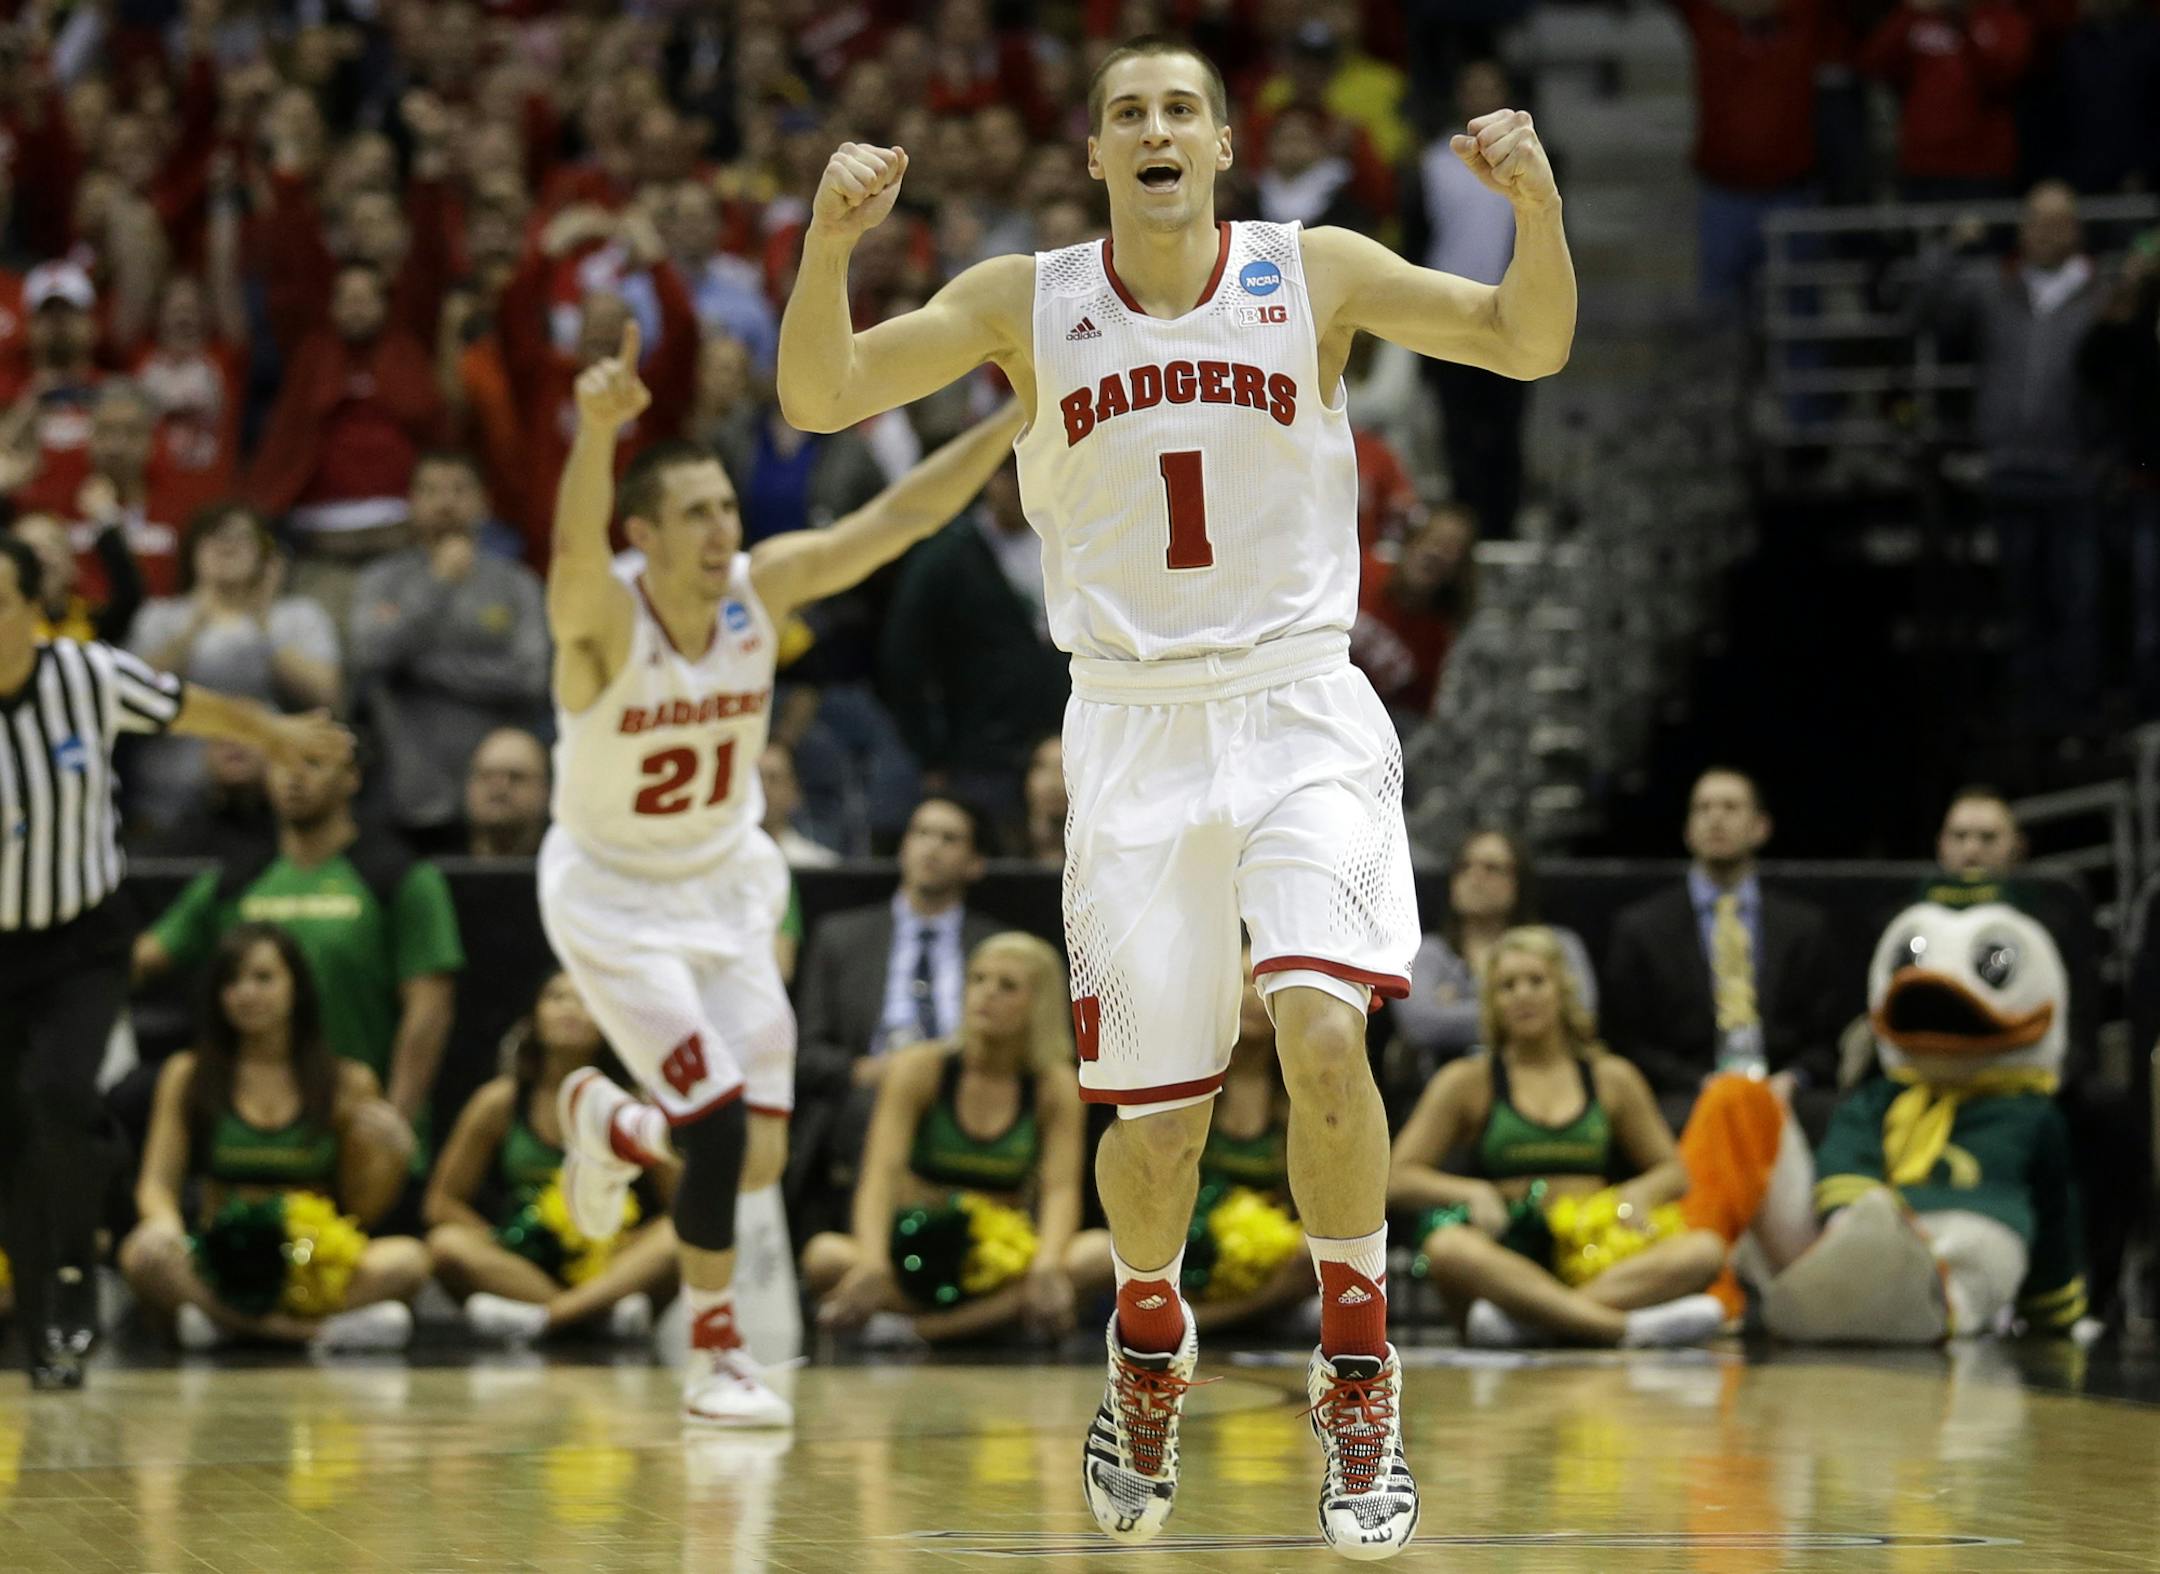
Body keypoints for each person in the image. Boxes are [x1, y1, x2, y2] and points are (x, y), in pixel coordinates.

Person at [779, 35, 1576, 1557]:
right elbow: (822, 393)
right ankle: (1149, 1339)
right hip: (1131, 731)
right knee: (1160, 1137)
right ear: (1095, 155)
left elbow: (1524, 342)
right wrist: (829, 245)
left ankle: (1360, 1369)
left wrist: (1536, 203)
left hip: (1298, 705)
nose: (1155, 131)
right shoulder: (1028, 299)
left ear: (1221, 145)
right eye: (1127, 113)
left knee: (1325, 1028)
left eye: (1179, 111)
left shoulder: (1311, 268)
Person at [537, 319, 1023, 1428]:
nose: (723, 526)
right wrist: (594, 436)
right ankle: (717, 1352)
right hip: (615, 897)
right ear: (645, 532)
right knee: (712, 1130)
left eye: (726, 505)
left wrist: (1011, 419)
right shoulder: (607, 616)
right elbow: (568, 566)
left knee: (751, 1158)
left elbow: (897, 518)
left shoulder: (765, 586)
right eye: (698, 512)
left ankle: (612, 1123)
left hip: (728, 882)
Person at [0, 534, 352, 1389]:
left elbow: (190, 707)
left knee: (57, 1096)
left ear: (28, 609)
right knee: (13, 1130)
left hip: (80, 937)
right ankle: (41, 1306)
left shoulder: (86, 676)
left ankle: (74, 1288)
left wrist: (272, 733)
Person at [1388, 928, 1730, 1349]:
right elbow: (1396, 1178)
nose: (1522, 995)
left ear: (1562, 990)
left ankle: (1531, 1324)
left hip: (1596, 1252)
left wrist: (1638, 1195)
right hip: (1508, 1253)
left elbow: (1673, 1172)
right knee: (1447, 1248)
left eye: (1536, 981)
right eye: (1506, 987)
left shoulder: (1611, 1077)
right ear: (1490, 1003)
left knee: (1705, 1250)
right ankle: (1619, 1329)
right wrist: (1471, 1192)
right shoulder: (1466, 1082)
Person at [133, 740, 466, 1142]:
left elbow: (429, 1011)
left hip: (356, 1119)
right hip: (250, 1131)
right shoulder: (235, 880)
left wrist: (395, 1119)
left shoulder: (397, 877)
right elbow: (145, 958)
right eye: (280, 762)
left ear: (351, 778)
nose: (293, 776)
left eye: (313, 762)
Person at [117, 923, 429, 1352]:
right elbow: (156, 1182)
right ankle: (303, 1333)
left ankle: (223, 1326)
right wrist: (164, 1224)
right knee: (140, 1255)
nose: (246, 993)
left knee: (410, 1259)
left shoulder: (347, 1081)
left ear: (296, 987)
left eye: (263, 978)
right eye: (232, 982)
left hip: (310, 1263)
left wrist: (393, 1157)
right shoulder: (187, 1074)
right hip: (221, 1261)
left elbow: (362, 1210)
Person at [801, 933, 1105, 1345]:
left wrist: (1047, 1264)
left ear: (1041, 1003)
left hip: (1001, 1263)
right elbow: (880, 1175)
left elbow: (1060, 1189)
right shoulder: (920, 1068)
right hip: (913, 1252)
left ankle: (914, 1332)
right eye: (977, 979)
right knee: (826, 1256)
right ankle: (989, 1323)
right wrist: (873, 1262)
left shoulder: (1056, 1085)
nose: (985, 994)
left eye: (1007, 986)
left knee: (1098, 1254)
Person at [424, 971, 678, 1343]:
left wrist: (625, 1243)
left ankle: (547, 1319)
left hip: (610, 1259)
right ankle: (597, 1315)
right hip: (525, 1264)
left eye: (587, 1000)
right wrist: (507, 1239)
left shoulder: (635, 1105)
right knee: (445, 1245)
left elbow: (685, 1204)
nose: (570, 1010)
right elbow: (441, 1203)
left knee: (675, 1237)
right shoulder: (500, 1102)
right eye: (556, 998)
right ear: (534, 1017)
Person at [790, 796, 1005, 1234]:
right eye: (921, 833)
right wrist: (859, 1070)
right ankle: (874, 1251)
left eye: (949, 839)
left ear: (975, 863)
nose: (931, 848)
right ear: (903, 847)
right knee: (872, 1107)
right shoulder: (841, 938)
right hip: (867, 1091)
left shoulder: (1000, 946)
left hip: (965, 1088)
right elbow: (803, 1052)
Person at [1601, 769, 1840, 1134]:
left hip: (1782, 1087)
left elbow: (1827, 1036)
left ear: (1760, 827)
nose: (1715, 817)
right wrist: (1700, 1082)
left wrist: (1791, 1079)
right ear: (1687, 830)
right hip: (1684, 1091)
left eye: (1730, 807)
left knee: (1832, 1116)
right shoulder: (1642, 928)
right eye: (1703, 808)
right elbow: (1626, 1041)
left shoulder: (1804, 927)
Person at [347, 450, 551, 838]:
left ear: (484, 503)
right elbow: (369, 655)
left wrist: (417, 667)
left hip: (497, 790)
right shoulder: (381, 580)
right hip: (404, 791)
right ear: (412, 502)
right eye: (431, 491)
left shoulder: (517, 584)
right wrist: (437, 585)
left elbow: (530, 677)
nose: (445, 503)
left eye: (459, 490)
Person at [125, 504, 342, 839]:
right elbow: (134, 691)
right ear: (193, 551)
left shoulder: (296, 616)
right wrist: (195, 624)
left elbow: (325, 694)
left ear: (267, 556)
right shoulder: (160, 616)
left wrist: (262, 622)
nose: (227, 546)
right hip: (168, 800)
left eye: (242, 537)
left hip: (276, 797)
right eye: (214, 537)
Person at [1392, 829, 1597, 1076]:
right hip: (1444, 1086)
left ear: (1519, 880)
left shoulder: (1560, 945)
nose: (1475, 877)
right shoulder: (1425, 952)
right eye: (1464, 867)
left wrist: (1458, 1006)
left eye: (1492, 868)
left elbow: (1580, 1013)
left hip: (1546, 1080)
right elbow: (1421, 1025)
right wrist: (1530, 1013)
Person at [464, 727, 552, 859]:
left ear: (545, 789)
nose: (498, 788)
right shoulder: (433, 865)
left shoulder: (566, 866)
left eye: (516, 777)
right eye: (486, 775)